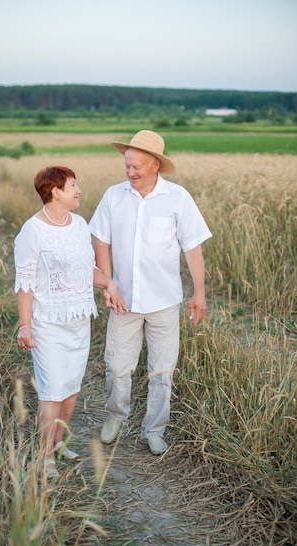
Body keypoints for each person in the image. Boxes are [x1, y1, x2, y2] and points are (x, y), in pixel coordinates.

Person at [88, 130, 212, 456]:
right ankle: (116, 417)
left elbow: (193, 247)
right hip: (123, 301)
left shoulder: (178, 198)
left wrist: (199, 292)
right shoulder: (114, 196)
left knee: (161, 370)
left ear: (155, 164)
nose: (130, 173)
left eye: (137, 167)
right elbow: (101, 239)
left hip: (164, 302)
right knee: (117, 366)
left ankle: (154, 430)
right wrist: (107, 282)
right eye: (127, 166)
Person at [14, 166, 127, 478]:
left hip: (78, 319)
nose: (79, 191)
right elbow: (25, 284)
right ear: (55, 192)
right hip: (47, 321)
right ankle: (44, 455)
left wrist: (109, 284)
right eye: (73, 186)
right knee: (52, 388)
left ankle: (59, 442)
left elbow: (85, 270)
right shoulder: (32, 231)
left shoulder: (79, 224)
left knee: (71, 387)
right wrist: (25, 325)